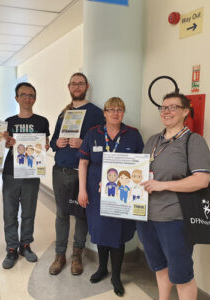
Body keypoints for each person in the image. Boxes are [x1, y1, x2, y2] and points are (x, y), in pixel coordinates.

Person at [137, 92, 210, 300]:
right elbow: (138, 174)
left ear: (185, 111)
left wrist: (163, 185)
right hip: (146, 216)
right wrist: (109, 184)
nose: (166, 111)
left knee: (181, 275)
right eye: (163, 107)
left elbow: (202, 180)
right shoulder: (152, 140)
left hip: (174, 219)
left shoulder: (193, 141)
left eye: (172, 107)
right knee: (160, 267)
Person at [78, 97, 144, 296]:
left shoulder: (132, 134)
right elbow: (83, 163)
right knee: (100, 230)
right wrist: (82, 190)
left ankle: (116, 275)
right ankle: (102, 268)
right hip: (95, 193)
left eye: (120, 109)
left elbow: (141, 164)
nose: (116, 113)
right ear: (105, 113)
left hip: (121, 196)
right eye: (111, 109)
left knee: (118, 234)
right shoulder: (93, 134)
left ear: (123, 113)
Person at [49, 73, 104, 276]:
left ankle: (76, 254)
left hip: (83, 173)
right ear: (69, 87)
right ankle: (59, 255)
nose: (77, 86)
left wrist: (84, 144)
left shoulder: (96, 113)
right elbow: (53, 140)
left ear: (86, 86)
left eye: (80, 83)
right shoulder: (64, 113)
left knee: (81, 215)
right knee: (62, 214)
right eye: (74, 83)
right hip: (60, 171)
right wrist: (57, 143)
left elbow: (101, 144)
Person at [2, 82, 50, 269]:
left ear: (35, 98)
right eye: (23, 95)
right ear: (17, 98)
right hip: (11, 172)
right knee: (10, 212)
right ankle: (12, 248)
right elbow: (3, 146)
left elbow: (45, 143)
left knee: (29, 212)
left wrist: (44, 147)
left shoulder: (42, 121)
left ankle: (26, 245)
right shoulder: (9, 121)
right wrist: (6, 144)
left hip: (31, 172)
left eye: (31, 95)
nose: (27, 98)